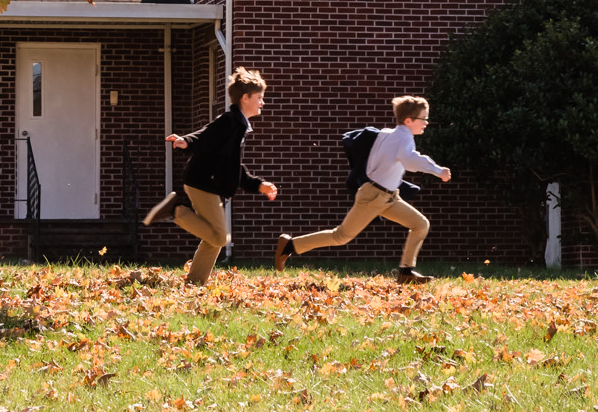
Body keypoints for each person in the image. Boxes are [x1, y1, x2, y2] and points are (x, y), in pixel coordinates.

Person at [274, 95, 447, 283]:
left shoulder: (387, 134)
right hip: (374, 196)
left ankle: (406, 273)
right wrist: (438, 171)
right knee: (340, 236)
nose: (426, 123)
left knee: (420, 224)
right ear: (408, 120)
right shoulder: (403, 139)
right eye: (424, 118)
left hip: (388, 197)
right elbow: (411, 159)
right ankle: (290, 246)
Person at [150, 68, 277, 286]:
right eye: (259, 98)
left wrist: (257, 185)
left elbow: (233, 167)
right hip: (202, 183)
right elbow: (205, 134)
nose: (262, 103)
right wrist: (187, 141)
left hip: (208, 185)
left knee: (213, 239)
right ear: (245, 98)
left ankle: (194, 283)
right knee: (219, 237)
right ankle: (176, 211)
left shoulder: (239, 126)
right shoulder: (229, 121)